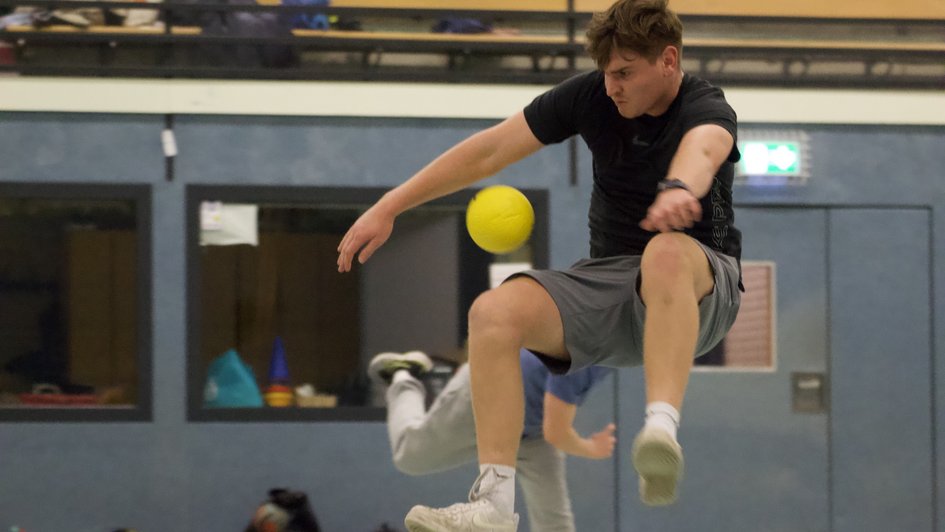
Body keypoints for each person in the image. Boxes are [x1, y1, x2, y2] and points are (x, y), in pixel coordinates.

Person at [336, 0, 743, 528]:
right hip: (611, 287)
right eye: (605, 74)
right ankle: (494, 505)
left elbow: (704, 148)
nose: (612, 86)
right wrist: (391, 205)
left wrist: (680, 187)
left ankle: (660, 432)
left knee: (663, 250)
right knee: (492, 312)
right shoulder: (593, 97)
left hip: (702, 286)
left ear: (668, 60)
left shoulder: (706, 106)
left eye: (624, 73)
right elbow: (490, 150)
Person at [368, 349, 614, 532]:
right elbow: (556, 431)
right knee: (410, 457)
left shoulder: (620, 346)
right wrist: (591, 448)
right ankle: (404, 376)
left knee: (555, 524)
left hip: (531, 432)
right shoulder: (583, 347)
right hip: (486, 399)